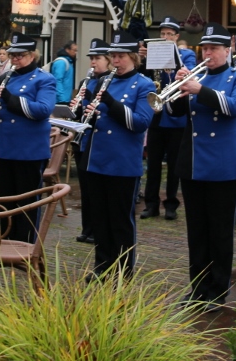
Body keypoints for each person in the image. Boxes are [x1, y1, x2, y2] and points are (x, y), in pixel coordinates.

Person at [169, 22, 236, 309]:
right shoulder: (197, 76)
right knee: (196, 231)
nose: (207, 53)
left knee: (220, 232)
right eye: (204, 48)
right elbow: (173, 111)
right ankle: (197, 288)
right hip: (193, 163)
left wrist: (199, 89)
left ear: (227, 51)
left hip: (223, 165)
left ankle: (217, 290)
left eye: (214, 48)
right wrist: (176, 85)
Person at [79, 32, 155, 278]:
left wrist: (110, 103)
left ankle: (123, 271)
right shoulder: (102, 81)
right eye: (113, 56)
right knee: (100, 218)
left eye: (121, 56)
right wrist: (84, 111)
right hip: (97, 159)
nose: (116, 61)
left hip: (122, 162)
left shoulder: (144, 85)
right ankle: (102, 266)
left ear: (133, 57)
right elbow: (92, 119)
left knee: (120, 220)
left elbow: (140, 123)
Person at [0, 33, 56, 244]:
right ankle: (6, 242)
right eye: (13, 55)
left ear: (32, 55)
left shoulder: (44, 79)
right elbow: (1, 111)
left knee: (27, 203)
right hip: (3, 148)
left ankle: (25, 246)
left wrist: (9, 98)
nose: (15, 60)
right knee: (6, 199)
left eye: (20, 55)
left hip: (28, 151)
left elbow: (43, 110)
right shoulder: (6, 78)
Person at [141, 17, 196, 220]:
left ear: (176, 36)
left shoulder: (187, 54)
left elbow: (189, 73)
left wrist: (172, 61)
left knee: (174, 164)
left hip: (176, 117)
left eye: (169, 34)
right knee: (153, 163)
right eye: (162, 34)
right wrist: (142, 60)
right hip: (156, 115)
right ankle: (151, 204)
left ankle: (171, 204)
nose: (165, 37)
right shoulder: (153, 54)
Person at [71, 38, 112, 245]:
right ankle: (87, 227)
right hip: (83, 140)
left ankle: (98, 230)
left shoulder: (111, 81)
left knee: (98, 191)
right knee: (86, 189)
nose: (93, 62)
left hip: (99, 141)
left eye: (98, 58)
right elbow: (79, 114)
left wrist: (90, 97)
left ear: (108, 60)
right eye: (91, 58)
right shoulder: (85, 82)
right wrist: (76, 106)